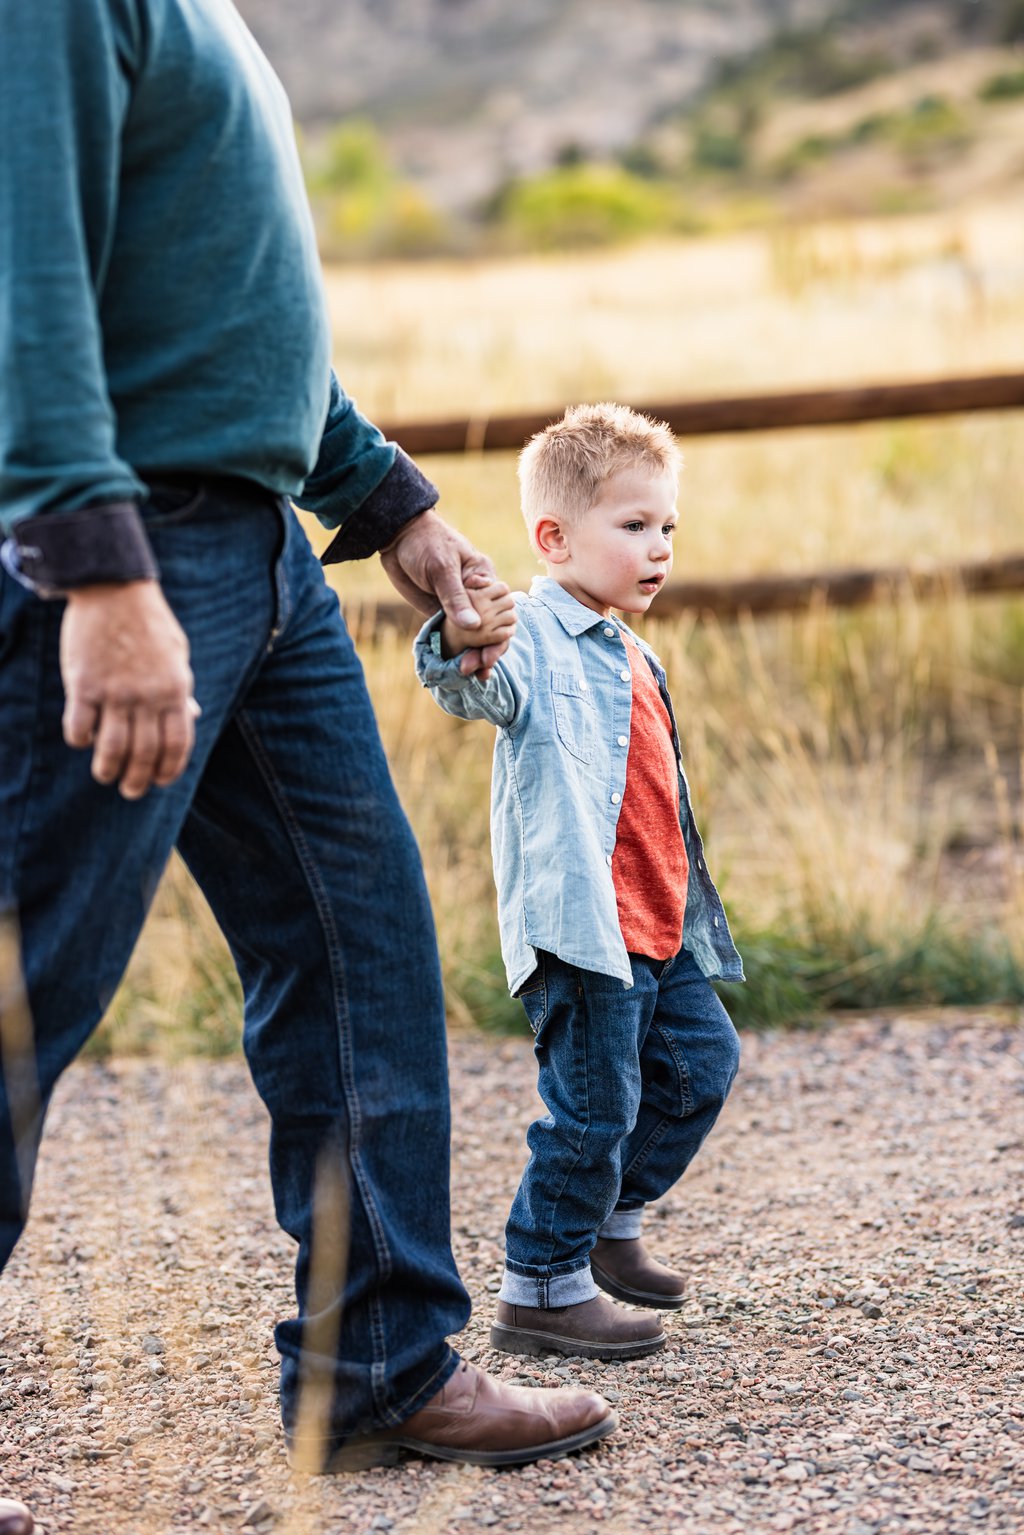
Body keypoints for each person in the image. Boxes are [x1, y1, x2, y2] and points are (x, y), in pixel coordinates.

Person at [0, 1, 618, 1515]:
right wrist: (98, 567)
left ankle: (383, 1363)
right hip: (139, 551)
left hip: (255, 550)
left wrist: (387, 494)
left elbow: (226, 306)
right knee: (25, 983)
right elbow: (27, 275)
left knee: (361, 950)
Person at [414, 403, 744, 1361]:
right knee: (594, 1107)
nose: (659, 547)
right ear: (553, 538)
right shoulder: (536, 639)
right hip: (582, 928)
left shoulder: (637, 651)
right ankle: (540, 1290)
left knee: (699, 1069)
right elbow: (475, 683)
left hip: (660, 923)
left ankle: (608, 1223)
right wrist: (459, 631)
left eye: (667, 527)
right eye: (634, 526)